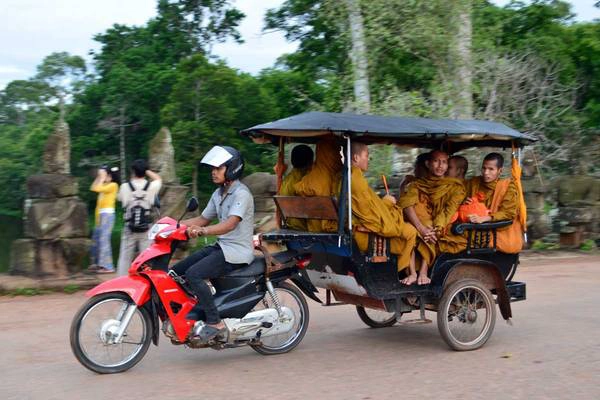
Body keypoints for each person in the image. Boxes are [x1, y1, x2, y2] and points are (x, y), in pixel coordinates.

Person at [171, 145, 254, 340]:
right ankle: (197, 309)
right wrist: (172, 225)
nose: (213, 172)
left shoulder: (242, 193)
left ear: (232, 168)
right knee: (175, 272)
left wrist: (203, 231)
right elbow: (201, 219)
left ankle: (214, 321)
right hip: (222, 247)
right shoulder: (218, 194)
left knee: (194, 275)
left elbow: (230, 224)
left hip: (236, 252)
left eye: (218, 168)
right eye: (213, 169)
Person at [398, 150, 466, 285]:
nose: (440, 166)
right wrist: (420, 227)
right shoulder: (416, 185)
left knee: (430, 228)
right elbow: (406, 204)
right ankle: (411, 273)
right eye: (436, 161)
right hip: (419, 224)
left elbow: (448, 211)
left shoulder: (455, 187)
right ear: (428, 164)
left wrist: (437, 227)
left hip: (442, 224)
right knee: (408, 229)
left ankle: (423, 272)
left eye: (444, 162)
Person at [350, 142, 417, 273]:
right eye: (366, 155)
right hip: (361, 234)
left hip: (358, 228)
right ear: (356, 158)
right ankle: (398, 273)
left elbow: (367, 206)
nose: (368, 159)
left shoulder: (351, 176)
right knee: (411, 233)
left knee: (409, 231)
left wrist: (384, 204)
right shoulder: (356, 180)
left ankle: (405, 272)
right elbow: (370, 216)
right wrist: (386, 203)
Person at [464, 152, 523, 253]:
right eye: (484, 168)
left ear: (499, 171)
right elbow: (461, 202)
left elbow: (508, 213)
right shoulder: (474, 183)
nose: (486, 173)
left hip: (494, 233)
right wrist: (465, 203)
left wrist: (484, 218)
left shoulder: (508, 187)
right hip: (471, 230)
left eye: (491, 169)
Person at [116, 159, 162, 276]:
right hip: (146, 227)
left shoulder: (125, 187)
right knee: (147, 258)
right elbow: (158, 179)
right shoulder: (151, 186)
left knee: (125, 258)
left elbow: (120, 199)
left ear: (133, 171)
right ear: (145, 171)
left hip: (129, 227)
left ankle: (120, 285)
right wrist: (146, 170)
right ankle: (148, 283)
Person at [294, 136, 343, 232]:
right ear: (329, 154)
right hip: (328, 230)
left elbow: (298, 189)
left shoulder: (310, 177)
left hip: (312, 229)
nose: (340, 156)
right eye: (336, 152)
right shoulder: (336, 177)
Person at [89, 166, 120, 273]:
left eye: (106, 175)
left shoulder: (113, 185)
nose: (104, 177)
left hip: (108, 214)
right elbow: (93, 188)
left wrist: (101, 177)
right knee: (97, 240)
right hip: (101, 215)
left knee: (104, 240)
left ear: (111, 177)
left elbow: (97, 188)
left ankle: (108, 266)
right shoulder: (104, 185)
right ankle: (98, 264)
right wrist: (99, 177)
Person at [280, 144, 314, 230]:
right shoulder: (307, 180)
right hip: (305, 228)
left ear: (292, 161)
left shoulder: (287, 180)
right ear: (311, 161)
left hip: (291, 226)